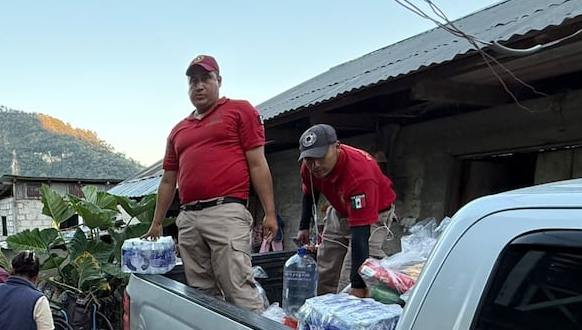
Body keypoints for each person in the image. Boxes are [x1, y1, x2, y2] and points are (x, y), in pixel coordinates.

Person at [145, 54, 277, 313]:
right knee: (201, 294)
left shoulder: (240, 111)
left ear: (219, 80)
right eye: (193, 81)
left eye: (206, 78)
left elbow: (258, 164)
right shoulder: (178, 130)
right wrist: (157, 222)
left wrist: (270, 212)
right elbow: (168, 180)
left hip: (225, 212)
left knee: (237, 288)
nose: (199, 86)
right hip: (188, 219)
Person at [296, 124, 397, 297]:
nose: (316, 164)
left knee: (350, 280)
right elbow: (309, 193)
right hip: (339, 210)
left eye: (321, 156)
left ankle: (350, 315)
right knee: (326, 270)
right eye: (310, 158)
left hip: (372, 215)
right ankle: (320, 317)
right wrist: (304, 226)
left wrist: (357, 285)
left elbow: (360, 236)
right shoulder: (309, 167)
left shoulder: (360, 174)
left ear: (337, 147)